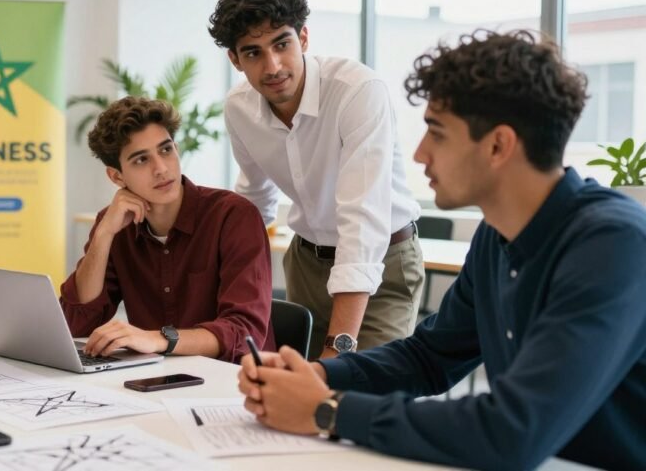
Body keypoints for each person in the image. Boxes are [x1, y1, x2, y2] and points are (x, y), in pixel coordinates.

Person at [237, 30, 646, 470]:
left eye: (437, 132)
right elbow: (428, 358)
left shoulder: (613, 245)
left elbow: (512, 431)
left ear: (497, 145)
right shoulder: (496, 235)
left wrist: (328, 410)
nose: (419, 154)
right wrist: (317, 375)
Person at [210, 0, 425, 360]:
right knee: (291, 398)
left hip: (383, 263)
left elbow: (363, 223)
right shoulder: (239, 108)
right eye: (254, 52)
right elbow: (255, 202)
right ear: (235, 60)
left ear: (303, 38)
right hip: (306, 264)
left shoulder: (357, 91)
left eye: (282, 44)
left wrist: (335, 347)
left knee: (356, 393)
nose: (273, 66)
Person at [60, 96, 274, 362]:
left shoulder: (233, 216)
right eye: (141, 160)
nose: (161, 169)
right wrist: (103, 235)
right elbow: (76, 323)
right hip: (156, 380)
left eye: (165, 150)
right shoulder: (115, 224)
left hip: (235, 383)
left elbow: (243, 333)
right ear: (117, 176)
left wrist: (159, 339)